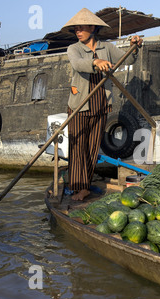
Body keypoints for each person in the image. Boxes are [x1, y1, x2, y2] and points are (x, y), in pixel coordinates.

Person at [61, 8, 143, 201]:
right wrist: (96, 61)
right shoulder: (74, 49)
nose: (78, 32)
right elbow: (78, 64)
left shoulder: (106, 47)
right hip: (80, 105)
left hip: (100, 104)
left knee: (92, 147)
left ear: (92, 28)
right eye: (75, 29)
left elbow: (128, 58)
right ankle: (77, 187)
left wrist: (135, 46)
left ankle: (85, 186)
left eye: (81, 28)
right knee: (77, 146)